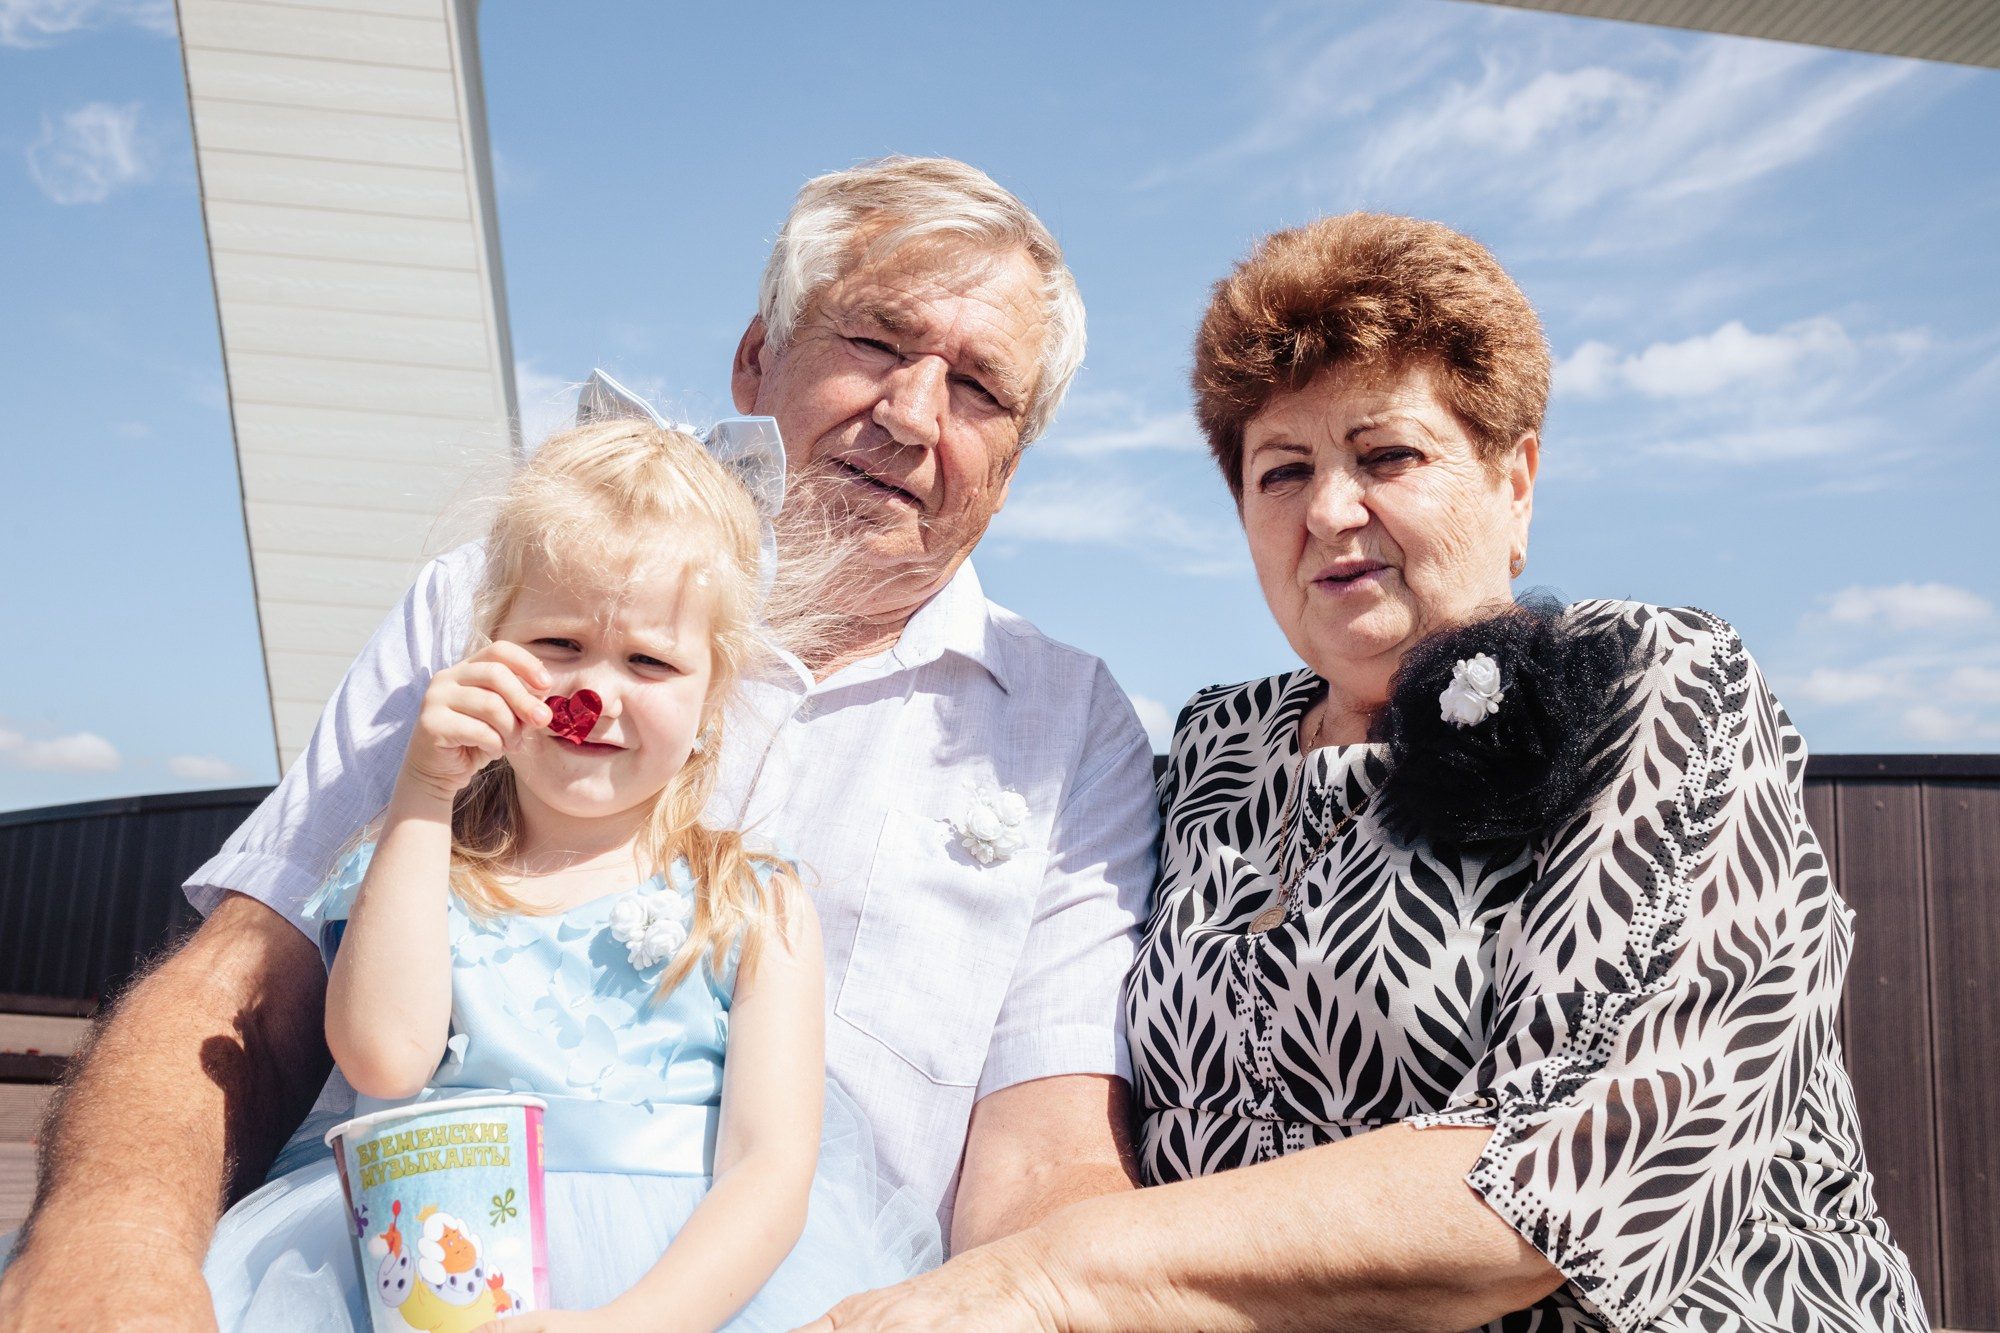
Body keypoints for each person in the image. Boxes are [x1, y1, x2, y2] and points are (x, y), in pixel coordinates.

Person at [0, 157, 1154, 1331]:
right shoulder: (493, 598)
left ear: (1012, 465)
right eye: (873, 340)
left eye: (976, 389)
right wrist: (113, 1245)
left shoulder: (1071, 728)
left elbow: (1043, 1163)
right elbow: (248, 977)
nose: (910, 414)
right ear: (757, 358)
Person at [799, 214, 1929, 1332]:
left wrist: (1045, 1278)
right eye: (1281, 470)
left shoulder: (1646, 682)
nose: (1332, 511)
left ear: (1513, 478)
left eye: (1386, 455)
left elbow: (1560, 1168)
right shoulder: (1213, 755)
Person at [203, 418, 939, 1331]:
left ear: (712, 696)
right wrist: (425, 791)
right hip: (432, 1275)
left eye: (650, 660)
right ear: (488, 647)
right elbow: (383, 1056)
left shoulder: (752, 903)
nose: (596, 692)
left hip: (679, 1292)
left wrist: (631, 1322)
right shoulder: (413, 859)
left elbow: (770, 1166)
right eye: (557, 645)